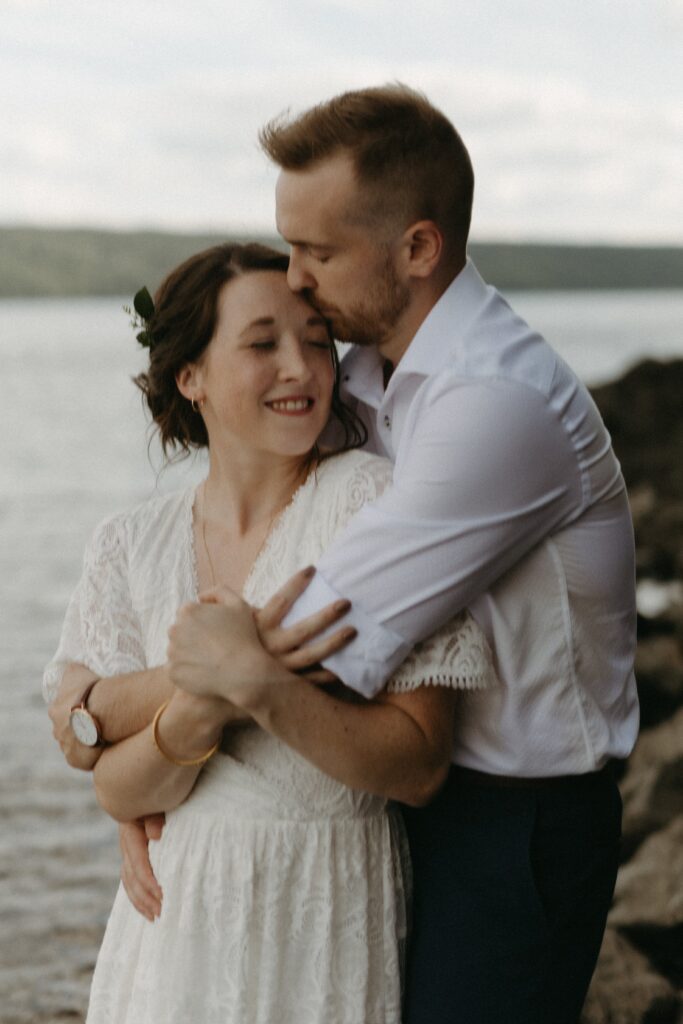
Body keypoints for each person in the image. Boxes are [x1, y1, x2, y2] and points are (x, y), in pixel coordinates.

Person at [162, 85, 639, 1024]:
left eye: (320, 252)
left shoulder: (493, 403)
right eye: (290, 246)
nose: (295, 278)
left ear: (418, 248)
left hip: (519, 826)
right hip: (409, 804)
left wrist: (103, 708)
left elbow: (306, 636)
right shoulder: (376, 376)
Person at [44, 242, 494, 1024]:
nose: (302, 368)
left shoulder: (374, 508)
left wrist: (258, 684)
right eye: (263, 344)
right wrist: (200, 698)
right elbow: (109, 779)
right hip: (167, 927)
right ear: (191, 377)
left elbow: (420, 767)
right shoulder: (130, 542)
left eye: (318, 342)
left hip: (321, 909)